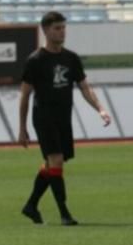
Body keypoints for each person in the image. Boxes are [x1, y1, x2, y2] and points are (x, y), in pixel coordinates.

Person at [19, 11, 112, 225]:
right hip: (43, 116)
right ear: (45, 30)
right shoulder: (35, 60)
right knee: (57, 160)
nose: (62, 32)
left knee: (52, 164)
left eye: (63, 28)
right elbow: (24, 94)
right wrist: (22, 127)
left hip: (63, 118)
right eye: (57, 28)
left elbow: (84, 87)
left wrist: (100, 109)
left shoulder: (71, 58)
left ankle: (31, 206)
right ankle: (64, 213)